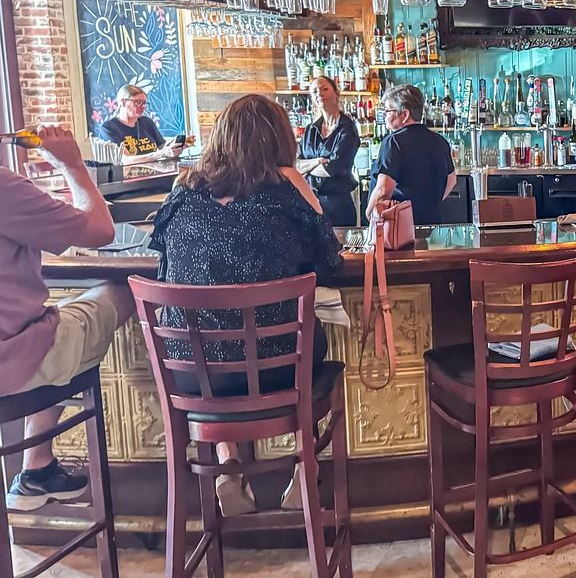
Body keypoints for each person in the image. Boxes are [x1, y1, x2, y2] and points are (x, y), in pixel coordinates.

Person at [149, 94, 342, 515]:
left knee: (215, 340)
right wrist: (300, 184)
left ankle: (227, 465)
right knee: (300, 336)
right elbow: (331, 264)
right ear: (280, 142)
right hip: (279, 373)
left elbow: (163, 267)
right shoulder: (286, 192)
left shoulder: (183, 192)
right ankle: (302, 464)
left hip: (193, 379)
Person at [1, 125, 134, 511]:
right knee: (120, 291)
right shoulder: (3, 189)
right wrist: (72, 165)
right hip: (13, 361)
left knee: (55, 320)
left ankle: (37, 467)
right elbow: (100, 230)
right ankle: (36, 463)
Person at [366, 84, 457, 226]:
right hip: (433, 224)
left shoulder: (393, 142)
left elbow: (383, 190)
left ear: (404, 114)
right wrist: (429, 205)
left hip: (399, 227)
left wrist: (370, 214)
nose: (385, 116)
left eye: (388, 111)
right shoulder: (439, 140)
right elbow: (451, 180)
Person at [298, 76, 360, 226]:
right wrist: (318, 161)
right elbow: (295, 165)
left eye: (324, 89)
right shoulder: (310, 130)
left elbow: (334, 168)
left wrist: (307, 167)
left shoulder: (347, 128)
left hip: (337, 205)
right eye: (314, 91)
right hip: (309, 204)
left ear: (336, 93)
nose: (319, 94)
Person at [95, 85, 184, 165]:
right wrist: (161, 153)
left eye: (144, 103)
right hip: (129, 179)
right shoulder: (108, 128)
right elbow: (125, 160)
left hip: (154, 174)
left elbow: (162, 146)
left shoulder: (147, 122)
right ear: (123, 102)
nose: (143, 106)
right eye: (137, 102)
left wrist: (176, 145)